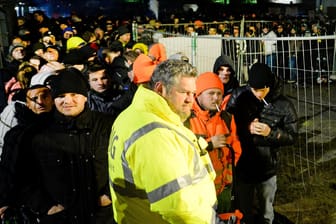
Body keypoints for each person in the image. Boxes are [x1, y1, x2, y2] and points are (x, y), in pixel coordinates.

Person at [108, 59, 219, 223]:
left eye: (193, 93)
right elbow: (177, 205)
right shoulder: (153, 134)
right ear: (160, 88)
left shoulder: (134, 114)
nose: (190, 100)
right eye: (184, 92)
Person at [1, 68, 116, 224]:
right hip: (59, 219)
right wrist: (46, 206)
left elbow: (126, 164)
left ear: (85, 97)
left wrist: (109, 195)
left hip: (103, 217)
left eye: (74, 94)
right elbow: (24, 176)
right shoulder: (38, 133)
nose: (67, 101)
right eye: (61, 96)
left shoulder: (108, 125)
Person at [225, 63, 298, 224]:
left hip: (267, 168)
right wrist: (246, 127)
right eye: (253, 90)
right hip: (242, 164)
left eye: (261, 90)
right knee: (243, 210)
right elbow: (226, 122)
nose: (257, 94)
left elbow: (292, 136)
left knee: (266, 210)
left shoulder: (284, 104)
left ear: (269, 86)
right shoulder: (239, 95)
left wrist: (270, 133)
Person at [185, 72, 242, 215]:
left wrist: (229, 178)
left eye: (219, 94)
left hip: (223, 188)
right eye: (211, 93)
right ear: (198, 94)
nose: (216, 98)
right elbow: (181, 152)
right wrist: (209, 144)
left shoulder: (227, 118)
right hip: (197, 190)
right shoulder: (186, 119)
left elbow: (236, 149)